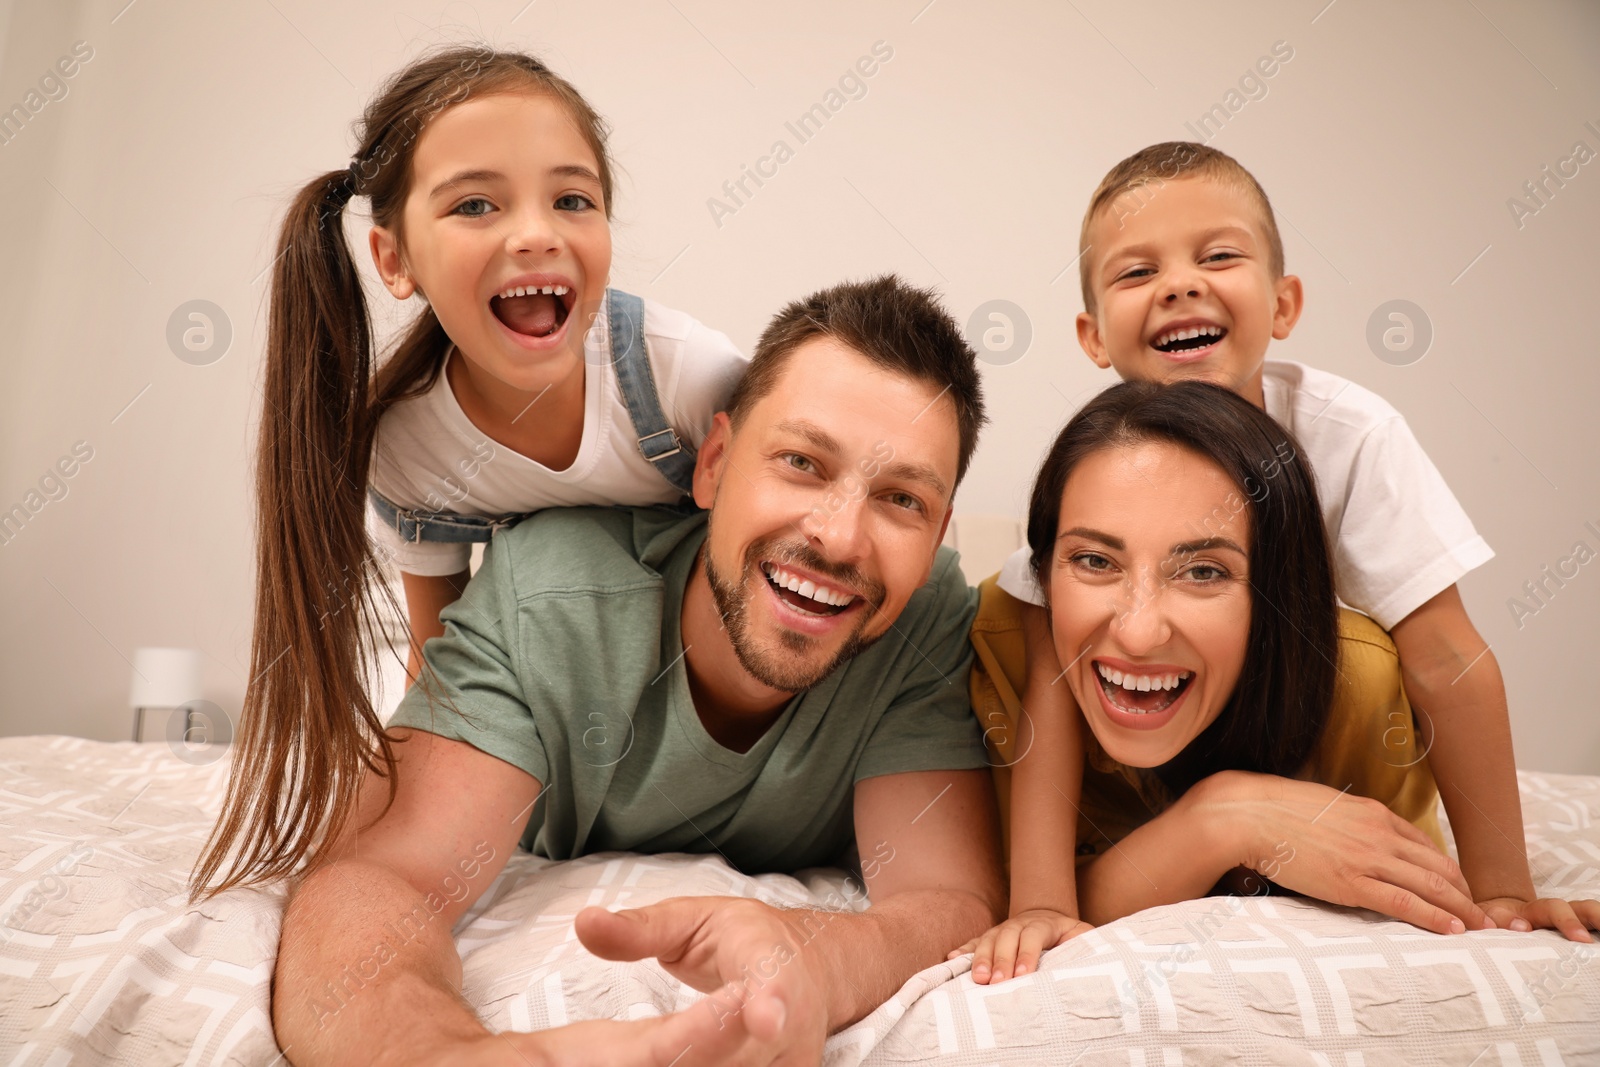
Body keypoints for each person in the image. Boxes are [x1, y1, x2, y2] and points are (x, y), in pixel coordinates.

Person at [266, 275, 1006, 1065]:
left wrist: (820, 955)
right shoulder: (551, 596)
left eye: (902, 500)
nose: (839, 537)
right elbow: (382, 877)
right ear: (714, 463)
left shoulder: (926, 619)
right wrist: (446, 1053)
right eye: (801, 462)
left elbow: (946, 899)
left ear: (938, 535)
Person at [959, 141, 1577, 985]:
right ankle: (1187, 836)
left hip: (1277, 715)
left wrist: (1504, 887)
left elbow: (1445, 654)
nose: (1181, 284)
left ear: (1284, 304)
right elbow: (1048, 694)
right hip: (1137, 749)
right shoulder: (1101, 464)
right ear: (1092, 337)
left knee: (1366, 663)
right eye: (1137, 272)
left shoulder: (1349, 436)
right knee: (1007, 615)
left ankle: (1294, 834)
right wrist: (1039, 900)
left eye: (1217, 256)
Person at [191, 45, 746, 899]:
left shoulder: (687, 379)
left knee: (566, 552)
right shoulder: (413, 445)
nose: (536, 232)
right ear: (393, 259)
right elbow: (439, 659)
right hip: (580, 721)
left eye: (573, 199)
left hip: (721, 691)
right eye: (476, 204)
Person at [952, 381, 1600, 981]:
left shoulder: (1362, 691)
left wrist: (1507, 897)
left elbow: (1396, 878)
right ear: (1043, 573)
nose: (1139, 632)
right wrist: (1224, 818)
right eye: (1094, 560)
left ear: (1275, 595)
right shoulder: (1002, 652)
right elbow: (1041, 908)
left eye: (1204, 571)